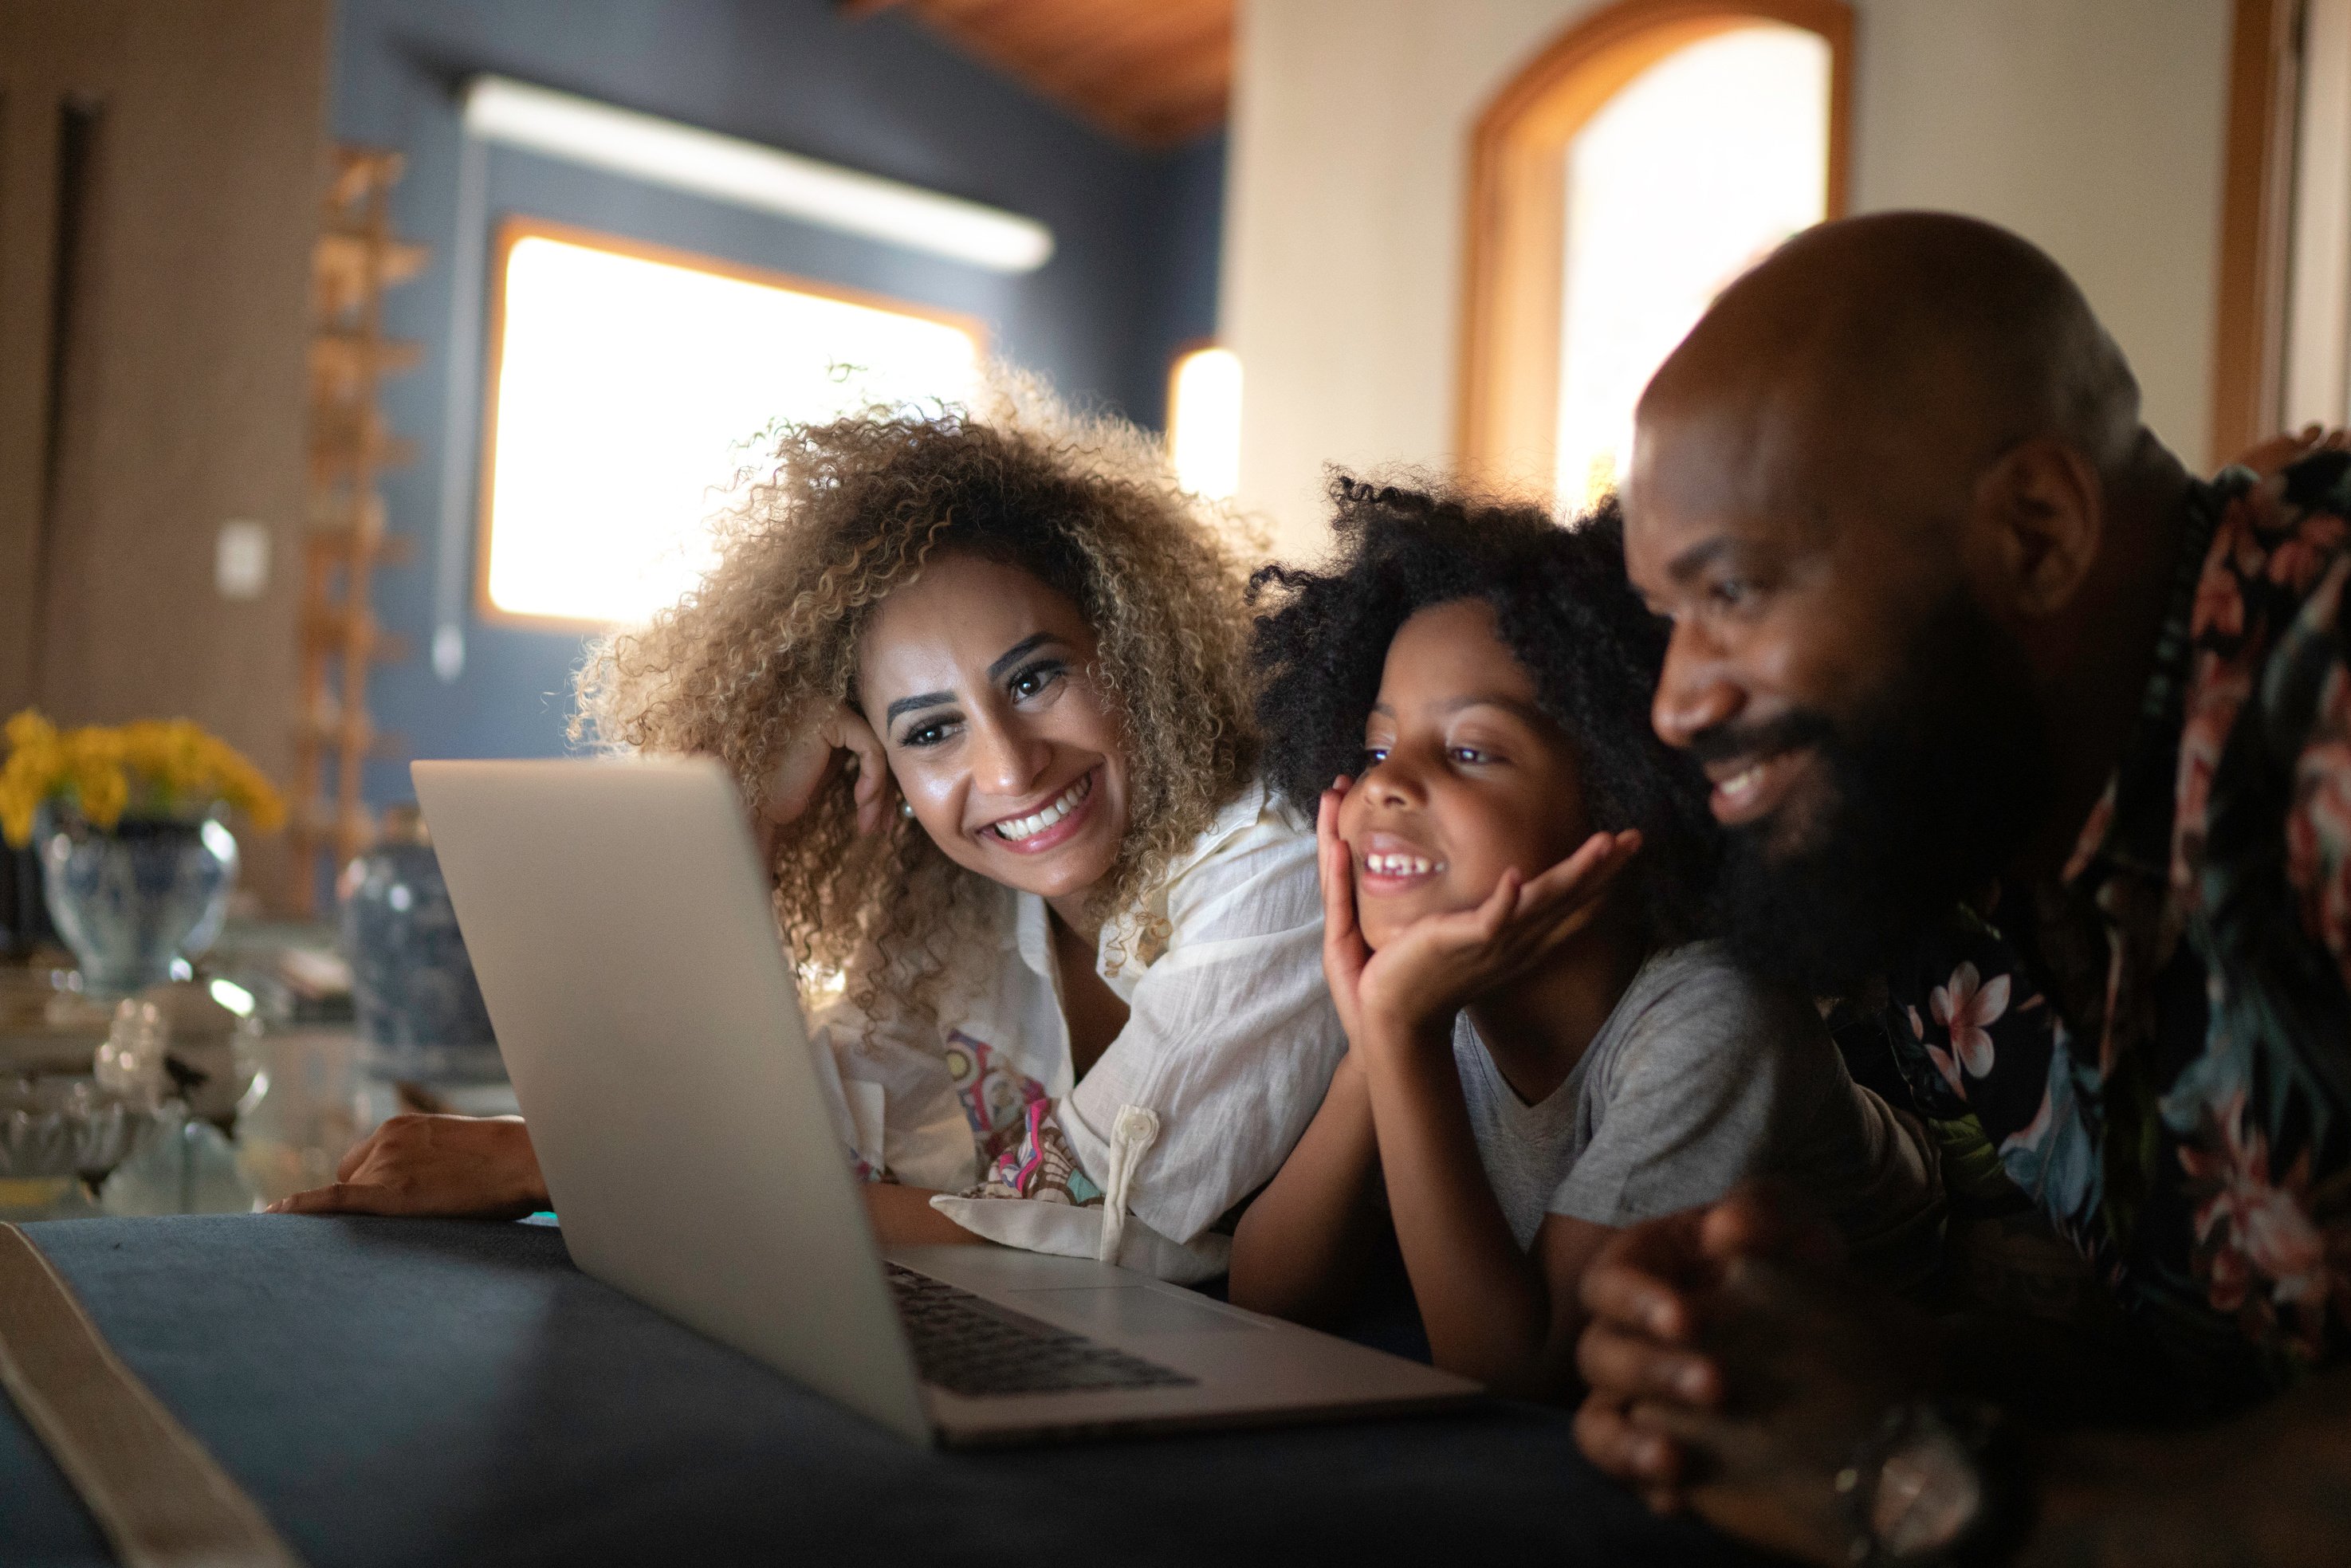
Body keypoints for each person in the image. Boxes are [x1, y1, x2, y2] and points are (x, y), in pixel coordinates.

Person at [1575, 210, 2351, 1567]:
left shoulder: (2323, 683)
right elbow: (2206, 1370)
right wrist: (1873, 1368)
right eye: (1665, 616)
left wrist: (1947, 1493)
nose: (1675, 700)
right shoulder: (1951, 826)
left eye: (1736, 590)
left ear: (2036, 532)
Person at [273, 379, 1344, 1283]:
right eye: (930, 729)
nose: (1007, 765)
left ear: (1133, 646)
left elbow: (1127, 1232)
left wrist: (565, 1162)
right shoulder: (963, 894)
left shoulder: (1272, 850)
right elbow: (808, 1130)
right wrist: (752, 829)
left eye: (1035, 675)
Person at [1228, 479, 1938, 1397]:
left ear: (1624, 793)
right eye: (1374, 747)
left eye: (1472, 750)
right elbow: (1266, 1300)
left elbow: (1519, 1373)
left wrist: (1399, 1029)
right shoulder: (1442, 986)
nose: (1386, 786)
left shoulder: (1715, 1016)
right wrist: (1376, 1038)